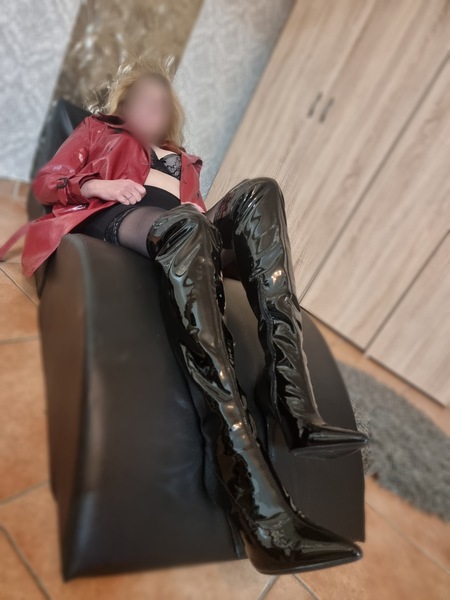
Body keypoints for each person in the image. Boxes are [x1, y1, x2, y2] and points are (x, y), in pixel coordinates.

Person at [1, 55, 368, 575]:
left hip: (183, 233)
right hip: (119, 220)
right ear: (124, 104)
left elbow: (196, 214)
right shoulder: (98, 131)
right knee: (185, 225)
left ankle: (291, 396)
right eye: (142, 100)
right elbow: (48, 181)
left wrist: (197, 209)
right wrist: (98, 186)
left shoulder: (182, 161)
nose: (151, 107)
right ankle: (249, 489)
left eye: (160, 102)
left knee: (260, 190)